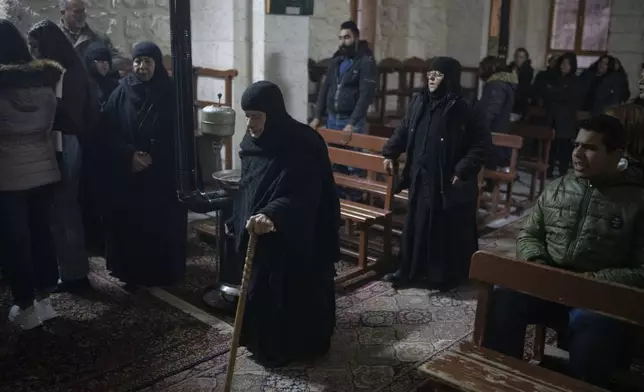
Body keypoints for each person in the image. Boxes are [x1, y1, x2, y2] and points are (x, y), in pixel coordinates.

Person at [483, 114, 644, 388]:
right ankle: (498, 379)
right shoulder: (560, 188)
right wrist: (538, 262)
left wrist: (594, 281)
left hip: (600, 298)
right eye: (577, 145)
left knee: (592, 329)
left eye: (590, 148)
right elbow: (530, 233)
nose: (578, 155)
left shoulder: (636, 200)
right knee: (504, 299)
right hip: (550, 286)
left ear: (616, 154)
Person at [226, 81, 340, 367]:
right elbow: (250, 185)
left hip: (296, 232)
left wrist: (273, 214)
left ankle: (294, 346)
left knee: (291, 291)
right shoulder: (253, 142)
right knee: (259, 288)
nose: (250, 124)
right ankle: (261, 340)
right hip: (259, 230)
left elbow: (305, 192)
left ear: (272, 113)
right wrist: (239, 215)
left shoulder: (302, 142)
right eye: (247, 115)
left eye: (256, 116)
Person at [381, 57, 491, 291]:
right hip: (421, 175)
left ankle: (442, 276)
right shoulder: (419, 101)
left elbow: (481, 144)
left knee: (443, 227)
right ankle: (408, 270)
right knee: (417, 224)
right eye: (429, 74)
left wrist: (463, 170)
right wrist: (389, 153)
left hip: (448, 179)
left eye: (438, 74)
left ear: (449, 78)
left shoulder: (465, 107)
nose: (431, 78)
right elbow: (403, 130)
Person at [101, 42, 187, 287]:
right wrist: (130, 154)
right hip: (129, 170)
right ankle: (130, 271)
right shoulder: (121, 92)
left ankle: (161, 273)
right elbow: (108, 130)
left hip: (161, 173)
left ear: (156, 64)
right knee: (131, 222)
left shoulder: (171, 93)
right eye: (138, 61)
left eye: (148, 61)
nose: (142, 67)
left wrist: (153, 156)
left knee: (160, 224)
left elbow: (178, 133)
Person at [0, 19, 63, 329]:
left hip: (8, 175)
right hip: (43, 169)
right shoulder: (45, 81)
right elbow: (48, 127)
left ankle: (24, 308)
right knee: (42, 235)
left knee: (16, 242)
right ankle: (45, 300)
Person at [28, 19, 97, 292]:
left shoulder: (67, 73)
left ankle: (75, 275)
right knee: (58, 209)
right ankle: (67, 270)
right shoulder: (58, 71)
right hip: (57, 140)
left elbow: (70, 116)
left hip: (65, 141)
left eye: (36, 47)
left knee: (65, 208)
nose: (33, 53)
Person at [309, 20, 377, 142]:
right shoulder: (336, 61)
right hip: (332, 119)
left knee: (350, 159)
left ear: (356, 39)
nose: (343, 42)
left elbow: (365, 96)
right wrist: (317, 117)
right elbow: (325, 89)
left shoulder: (365, 62)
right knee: (331, 158)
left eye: (347, 37)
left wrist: (351, 123)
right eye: (340, 38)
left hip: (350, 123)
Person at [58, 0, 129, 73]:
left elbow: (118, 59)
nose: (82, 15)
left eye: (83, 11)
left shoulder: (99, 37)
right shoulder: (52, 38)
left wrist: (102, 66)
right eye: (77, 12)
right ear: (63, 13)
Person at [477, 55, 516, 177]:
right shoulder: (502, 83)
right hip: (496, 137)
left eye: (482, 68)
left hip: (494, 139)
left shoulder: (497, 85)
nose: (480, 71)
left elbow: (490, 111)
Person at [544, 52, 580, 178]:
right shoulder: (554, 77)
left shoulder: (575, 80)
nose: (564, 66)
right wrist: (555, 93)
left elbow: (568, 97)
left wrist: (555, 93)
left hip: (565, 119)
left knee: (564, 147)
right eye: (563, 63)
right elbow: (547, 93)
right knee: (550, 146)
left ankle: (563, 172)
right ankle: (548, 171)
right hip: (552, 116)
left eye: (567, 63)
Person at [84, 42, 119, 107]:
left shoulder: (114, 85)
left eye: (107, 62)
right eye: (101, 62)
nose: (105, 65)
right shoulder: (83, 86)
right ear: (91, 62)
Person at [507, 47, 534, 119]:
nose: (518, 59)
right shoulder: (510, 68)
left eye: (521, 57)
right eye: (517, 56)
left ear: (525, 59)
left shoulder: (528, 70)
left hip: (519, 99)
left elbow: (522, 87)